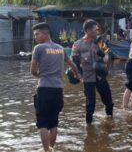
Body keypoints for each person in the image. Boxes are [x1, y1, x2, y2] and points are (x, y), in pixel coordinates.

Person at [30, 22, 80, 152]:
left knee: (42, 123)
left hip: (44, 89)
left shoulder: (39, 48)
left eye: (37, 34)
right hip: (58, 90)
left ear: (45, 34)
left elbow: (32, 70)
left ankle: (46, 150)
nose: (35, 37)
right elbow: (72, 64)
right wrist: (76, 75)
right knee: (53, 122)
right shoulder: (60, 48)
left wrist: (40, 75)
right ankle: (51, 148)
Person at [71, 19, 118, 125]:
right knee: (90, 103)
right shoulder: (77, 44)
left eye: (97, 30)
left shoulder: (99, 42)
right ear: (88, 30)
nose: (97, 32)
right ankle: (89, 125)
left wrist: (106, 57)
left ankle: (110, 121)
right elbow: (74, 59)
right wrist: (77, 73)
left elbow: (108, 53)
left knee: (108, 100)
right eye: (95, 30)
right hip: (87, 76)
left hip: (100, 75)